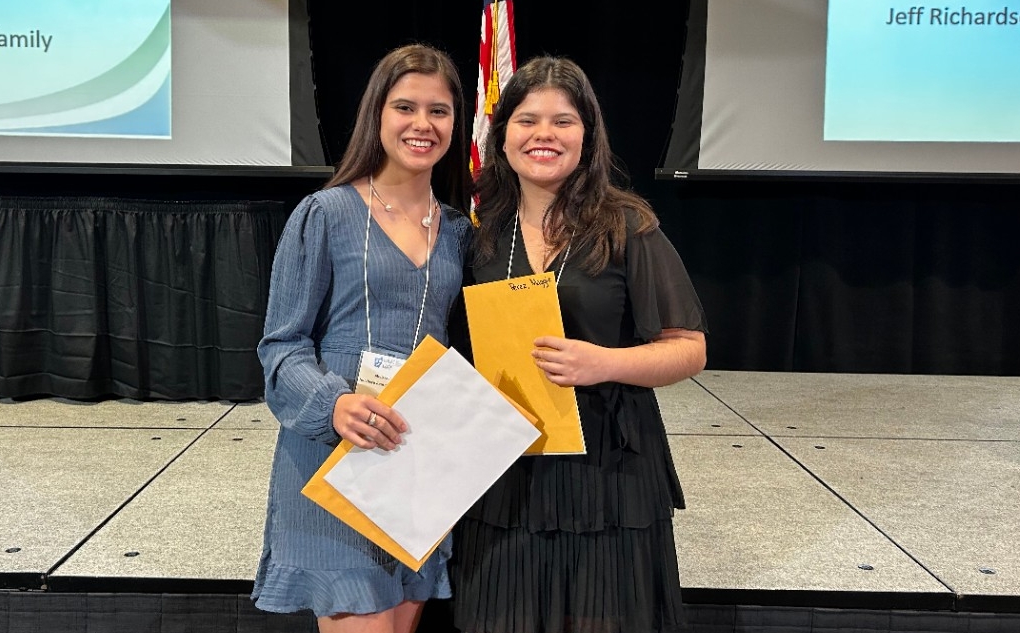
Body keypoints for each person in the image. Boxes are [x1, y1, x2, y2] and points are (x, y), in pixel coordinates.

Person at [451, 56, 708, 633]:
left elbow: (689, 347)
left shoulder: (627, 226)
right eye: (527, 120)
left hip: (608, 467)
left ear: (587, 137)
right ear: (503, 136)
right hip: (507, 468)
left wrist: (604, 363)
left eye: (563, 121)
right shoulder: (481, 237)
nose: (544, 134)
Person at [252, 44, 472, 633]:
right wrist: (334, 405)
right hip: (338, 457)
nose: (422, 124)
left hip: (417, 460)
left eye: (440, 111)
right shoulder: (323, 213)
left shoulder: (459, 231)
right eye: (406, 107)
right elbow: (281, 347)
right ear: (377, 114)